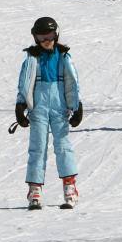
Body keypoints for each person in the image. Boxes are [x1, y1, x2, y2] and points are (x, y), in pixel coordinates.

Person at [15, 17, 83, 210]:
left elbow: (72, 83)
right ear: (35, 38)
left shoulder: (63, 57)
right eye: (41, 36)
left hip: (60, 108)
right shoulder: (32, 58)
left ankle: (70, 187)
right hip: (38, 108)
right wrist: (21, 105)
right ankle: (34, 189)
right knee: (37, 147)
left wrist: (77, 106)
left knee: (63, 146)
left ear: (56, 34)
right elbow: (25, 83)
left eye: (50, 36)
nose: (46, 40)